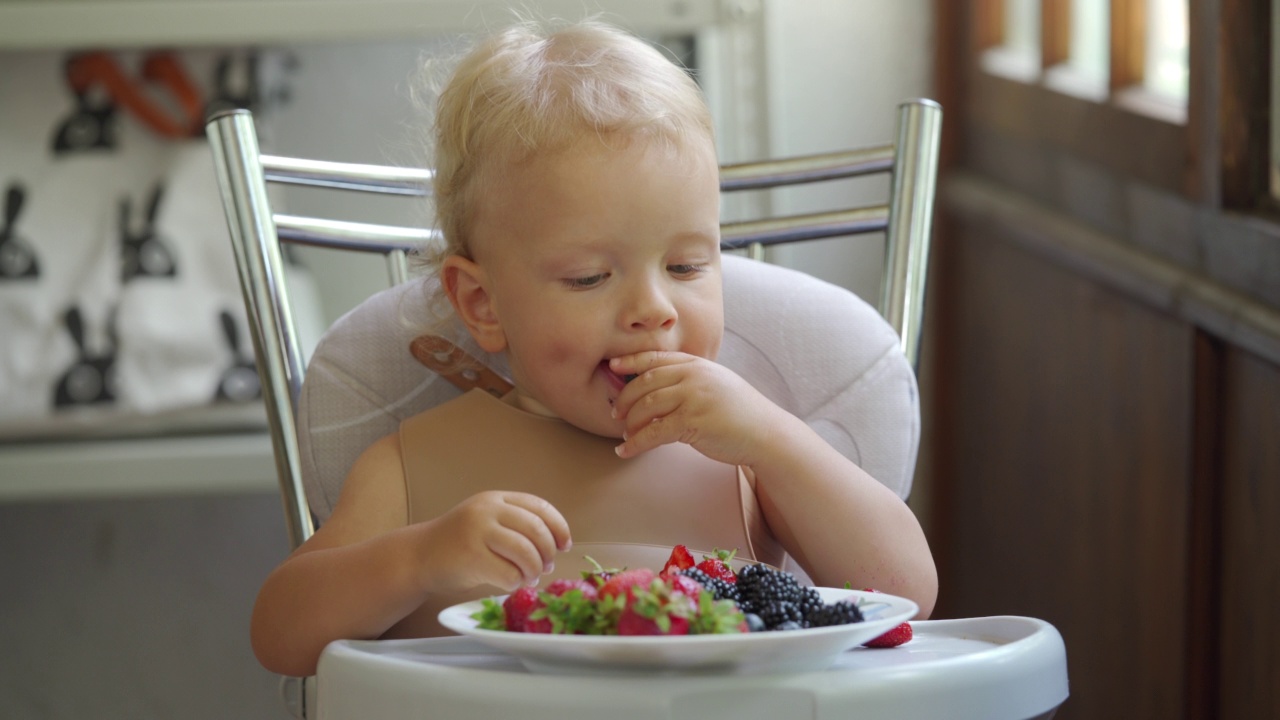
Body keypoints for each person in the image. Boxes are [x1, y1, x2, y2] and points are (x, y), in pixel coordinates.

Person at [249, 18, 937, 678]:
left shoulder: (746, 461)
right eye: (589, 277)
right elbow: (280, 635)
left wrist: (772, 439)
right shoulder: (413, 466)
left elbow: (907, 596)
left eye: (688, 266)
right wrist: (418, 559)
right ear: (482, 305)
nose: (653, 311)